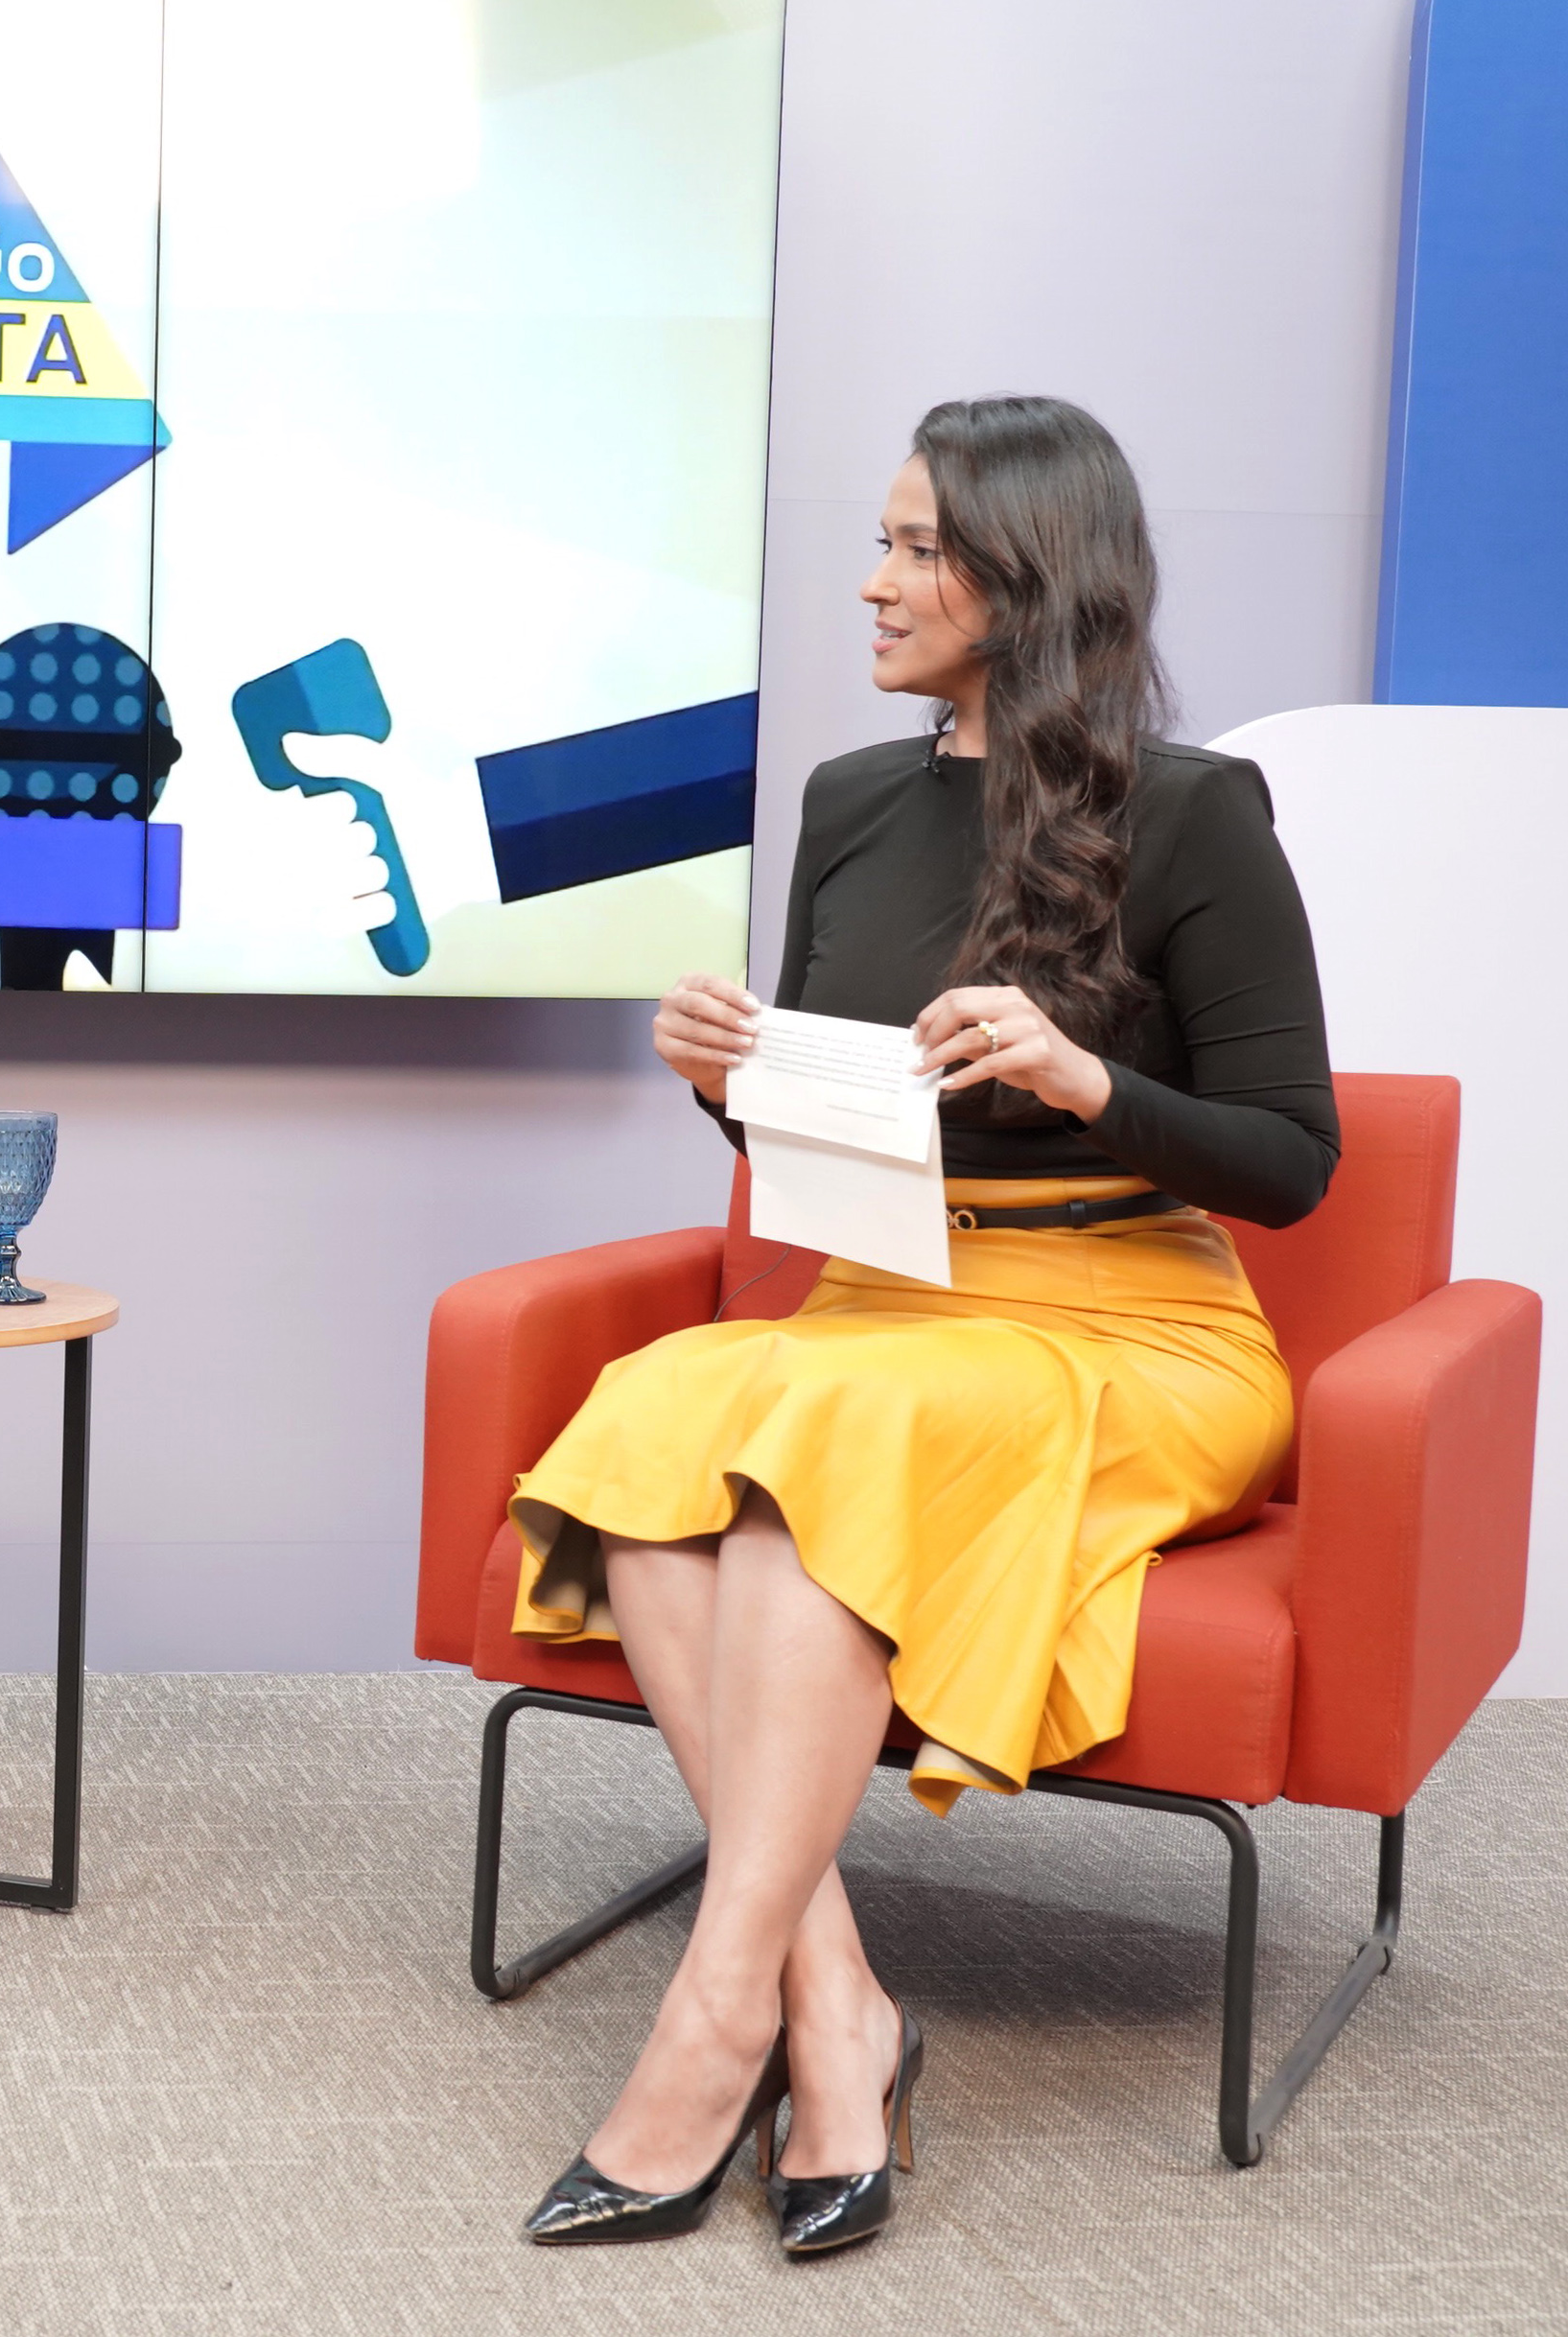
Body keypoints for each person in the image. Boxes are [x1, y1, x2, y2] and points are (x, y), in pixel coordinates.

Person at [506, 398, 1336, 2257]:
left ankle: (710, 2021)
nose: (874, 583)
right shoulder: (848, 803)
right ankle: (833, 2007)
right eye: (880, 544)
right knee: (648, 1419)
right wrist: (723, 1082)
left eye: (916, 550)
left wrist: (1085, 1077)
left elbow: (1293, 1159)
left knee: (821, 1437)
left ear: (1028, 578)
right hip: (889, 1303)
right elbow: (829, 1136)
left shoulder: (1193, 812)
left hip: (1131, 1325)